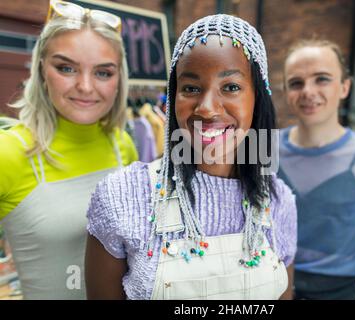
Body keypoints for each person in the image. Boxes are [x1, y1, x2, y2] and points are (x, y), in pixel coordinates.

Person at [85, 14, 297, 300]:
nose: (207, 108)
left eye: (231, 87)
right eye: (191, 88)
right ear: (173, 100)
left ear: (257, 98)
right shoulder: (123, 196)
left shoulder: (278, 200)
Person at [0, 0, 137, 299]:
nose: (86, 86)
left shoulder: (122, 146)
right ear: (41, 70)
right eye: (66, 68)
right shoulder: (8, 152)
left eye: (103, 72)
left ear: (119, 79)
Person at [279, 39, 355, 300]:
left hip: (336, 288)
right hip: (270, 282)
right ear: (286, 92)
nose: (308, 91)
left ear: (345, 87)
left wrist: (350, 272)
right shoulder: (263, 150)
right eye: (296, 83)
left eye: (322, 79)